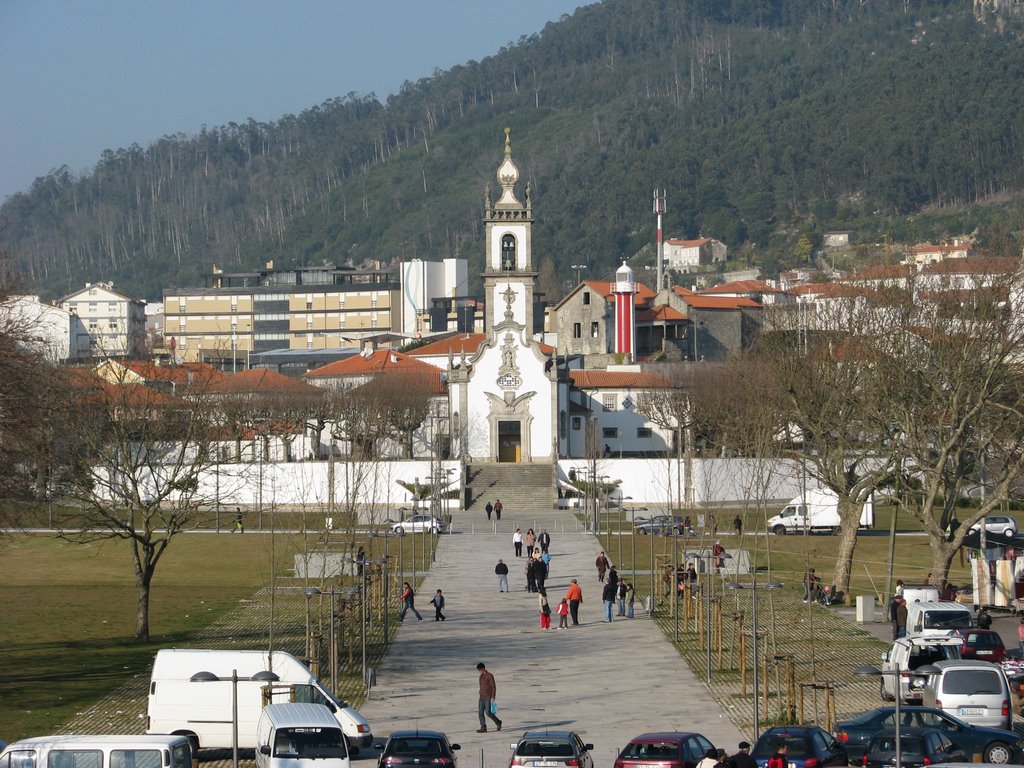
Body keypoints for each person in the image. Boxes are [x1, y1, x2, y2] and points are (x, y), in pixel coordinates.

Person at [475, 662, 502, 733]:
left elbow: (493, 687)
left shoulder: (490, 676)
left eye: (480, 670)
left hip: (488, 697)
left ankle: (498, 722)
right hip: (481, 696)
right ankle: (483, 727)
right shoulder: (480, 676)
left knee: (488, 712)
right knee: (480, 712)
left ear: (483, 668)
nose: (479, 672)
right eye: (479, 670)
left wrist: (493, 696)